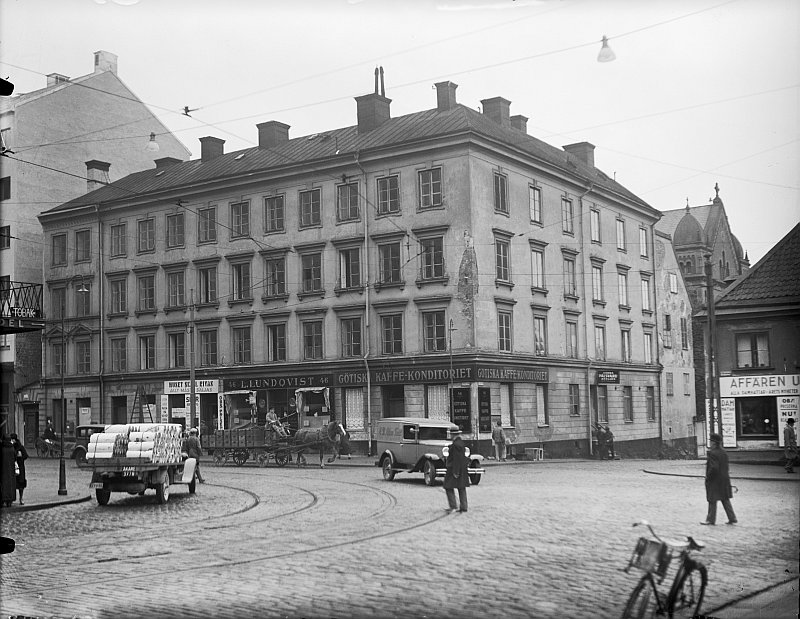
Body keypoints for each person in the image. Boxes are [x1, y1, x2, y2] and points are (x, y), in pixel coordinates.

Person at [701, 433, 737, 526]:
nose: (710, 443)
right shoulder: (724, 452)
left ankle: (710, 520)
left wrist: (708, 477)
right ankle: (732, 518)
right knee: (725, 499)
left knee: (712, 500)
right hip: (724, 479)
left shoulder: (713, 453)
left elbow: (714, 468)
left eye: (711, 441)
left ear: (714, 443)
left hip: (715, 480)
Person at [443, 434, 470, 513]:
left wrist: (455, 471)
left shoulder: (455, 445)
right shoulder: (461, 443)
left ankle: (453, 506)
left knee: (448, 486)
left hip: (453, 468)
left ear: (453, 435)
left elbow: (456, 459)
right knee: (461, 487)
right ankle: (464, 506)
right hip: (462, 468)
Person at [10, 434, 28, 505]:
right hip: (12, 467)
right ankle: (11, 498)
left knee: (21, 484)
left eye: (12, 439)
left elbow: (26, 456)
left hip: (20, 468)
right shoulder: (10, 446)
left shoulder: (20, 447)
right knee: (12, 484)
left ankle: (21, 498)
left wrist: (20, 457)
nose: (12, 441)